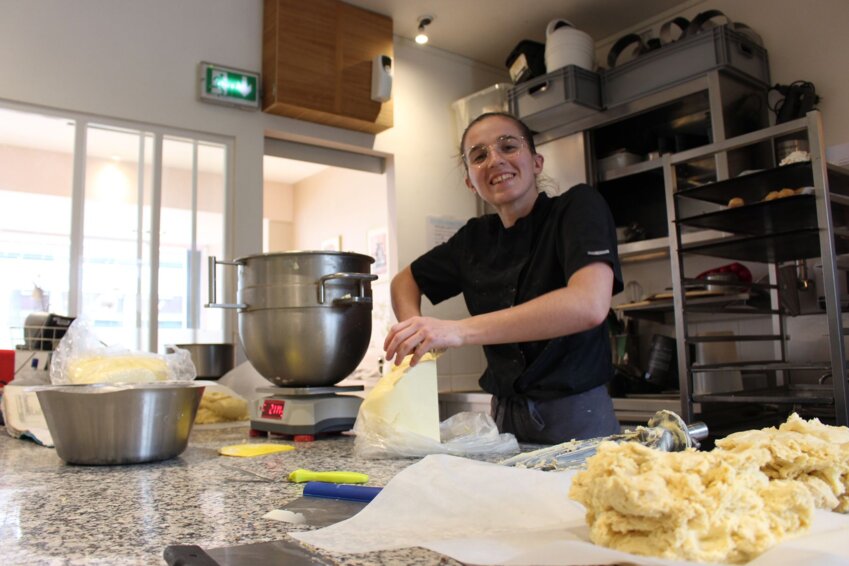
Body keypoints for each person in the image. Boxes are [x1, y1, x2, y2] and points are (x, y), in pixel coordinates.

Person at [383, 112, 624, 444]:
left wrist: (455, 331)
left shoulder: (577, 208)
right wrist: (415, 333)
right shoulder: (474, 238)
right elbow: (405, 280)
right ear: (471, 181)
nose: (495, 160)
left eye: (508, 146)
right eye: (479, 156)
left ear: (537, 162)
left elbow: (588, 304)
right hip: (503, 418)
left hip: (576, 416)